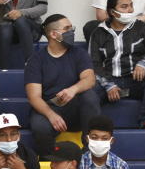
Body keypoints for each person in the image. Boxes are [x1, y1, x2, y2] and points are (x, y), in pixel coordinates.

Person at [25, 14, 102, 157]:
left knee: (90, 96)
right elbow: (34, 97)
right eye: (67, 28)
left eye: (71, 28)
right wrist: (51, 115)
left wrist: (73, 89)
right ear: (54, 34)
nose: (72, 31)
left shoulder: (79, 53)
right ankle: (49, 161)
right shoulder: (36, 60)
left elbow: (90, 79)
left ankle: (90, 152)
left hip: (75, 108)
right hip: (50, 107)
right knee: (39, 126)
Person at [90, 0, 145, 129]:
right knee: (89, 92)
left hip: (136, 80)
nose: (130, 10)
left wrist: (144, 62)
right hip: (109, 81)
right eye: (124, 7)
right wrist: (108, 84)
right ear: (112, 12)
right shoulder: (98, 33)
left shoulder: (141, 26)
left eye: (131, 5)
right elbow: (93, 62)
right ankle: (95, 128)